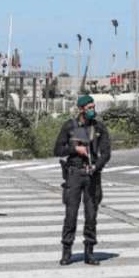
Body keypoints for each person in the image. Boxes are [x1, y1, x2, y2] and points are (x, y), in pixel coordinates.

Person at [53, 95, 111, 266]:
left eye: (93, 106)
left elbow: (106, 153)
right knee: (71, 215)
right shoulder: (70, 126)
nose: (93, 110)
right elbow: (57, 149)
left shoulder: (99, 127)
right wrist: (75, 149)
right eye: (89, 107)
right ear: (81, 109)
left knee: (91, 215)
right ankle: (67, 250)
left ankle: (89, 251)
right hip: (74, 175)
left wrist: (97, 166)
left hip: (92, 175)